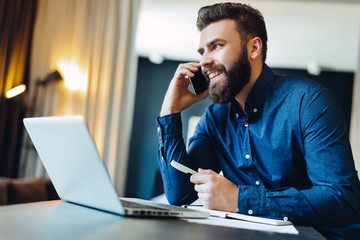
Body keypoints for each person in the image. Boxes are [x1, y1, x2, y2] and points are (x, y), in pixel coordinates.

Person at [156, 2, 360, 239]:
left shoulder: (310, 101)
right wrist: (170, 111)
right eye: (202, 52)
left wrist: (238, 199)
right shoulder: (214, 118)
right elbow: (181, 194)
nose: (204, 62)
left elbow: (342, 200)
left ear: (254, 48)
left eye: (216, 46)